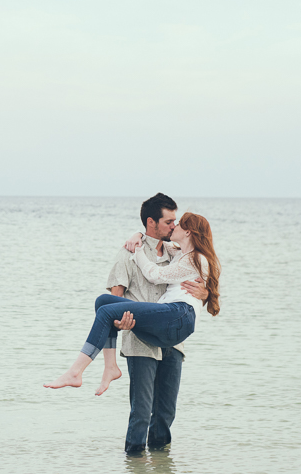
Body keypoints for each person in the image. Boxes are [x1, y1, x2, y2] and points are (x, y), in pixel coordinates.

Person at [44, 194, 221, 454]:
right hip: (141, 337)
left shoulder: (177, 252)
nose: (174, 226)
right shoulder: (129, 253)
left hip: (172, 331)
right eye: (170, 221)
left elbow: (192, 274)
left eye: (177, 222)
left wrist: (206, 294)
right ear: (152, 222)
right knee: (105, 307)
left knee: (165, 414)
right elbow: (115, 301)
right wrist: (137, 238)